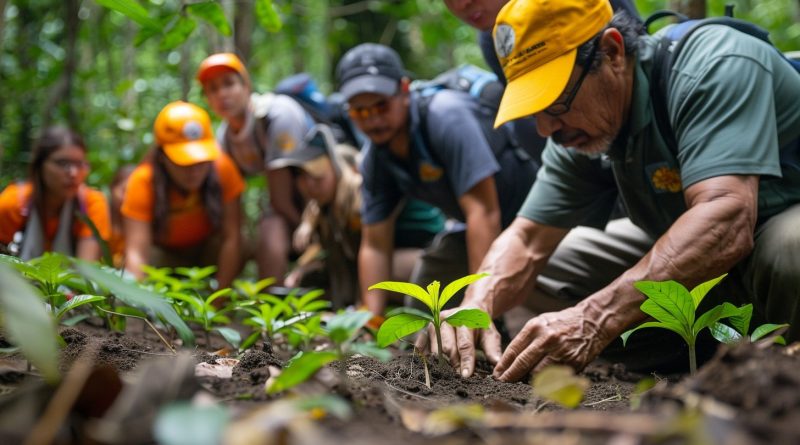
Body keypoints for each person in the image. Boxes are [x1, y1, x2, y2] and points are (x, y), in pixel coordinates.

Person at [424, 0, 800, 381]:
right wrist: (475, 305)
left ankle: (779, 373)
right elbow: (527, 238)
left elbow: (726, 217)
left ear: (612, 52)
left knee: (793, 246)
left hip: (769, 231)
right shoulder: (583, 126)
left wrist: (595, 317)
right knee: (551, 270)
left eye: (555, 103)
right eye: (532, 109)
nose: (544, 129)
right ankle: (697, 361)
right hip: (713, 267)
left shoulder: (713, 64)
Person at [335, 43, 539, 316]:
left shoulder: (446, 116)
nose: (373, 120)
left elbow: (483, 212)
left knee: (514, 320)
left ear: (404, 90)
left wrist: (478, 310)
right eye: (360, 111)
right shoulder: (376, 157)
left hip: (531, 222)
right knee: (423, 308)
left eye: (381, 105)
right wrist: (370, 319)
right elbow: (375, 243)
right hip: (478, 230)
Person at [443, 0, 641, 164]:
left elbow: (636, 56)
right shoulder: (494, 42)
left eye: (555, 102)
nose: (462, 4)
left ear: (612, 52)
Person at [277, 125, 444, 309]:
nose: (308, 185)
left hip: (429, 256)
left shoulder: (359, 196)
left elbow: (370, 253)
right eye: (301, 176)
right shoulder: (322, 208)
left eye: (316, 177)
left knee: (375, 271)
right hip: (393, 258)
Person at [197, 53, 313, 285]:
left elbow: (281, 198)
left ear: (246, 86)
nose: (222, 94)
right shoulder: (225, 138)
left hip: (320, 199)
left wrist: (311, 233)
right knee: (260, 232)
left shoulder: (278, 114)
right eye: (213, 89)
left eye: (229, 84)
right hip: (292, 207)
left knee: (270, 231)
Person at [121, 101, 244, 289]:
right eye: (184, 163)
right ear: (162, 157)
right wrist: (137, 305)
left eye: (200, 161)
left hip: (208, 252)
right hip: (164, 257)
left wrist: (219, 303)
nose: (194, 171)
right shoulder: (143, 181)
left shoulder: (223, 169)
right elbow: (137, 253)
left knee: (249, 242)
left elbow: (232, 238)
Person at [0, 126, 110, 261]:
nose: (73, 173)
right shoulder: (13, 203)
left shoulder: (91, 203)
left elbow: (86, 270)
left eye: (80, 164)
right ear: (40, 165)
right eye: (62, 163)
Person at [108, 164, 135, 268]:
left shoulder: (144, 225)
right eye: (125, 191)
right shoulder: (100, 218)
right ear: (112, 188)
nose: (130, 198)